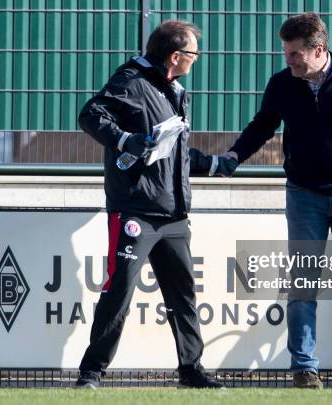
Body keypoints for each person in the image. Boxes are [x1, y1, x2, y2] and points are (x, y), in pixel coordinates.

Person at [225, 13, 332, 389]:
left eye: (295, 53)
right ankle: (304, 368)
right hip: (304, 198)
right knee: (303, 285)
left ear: (319, 49)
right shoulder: (282, 84)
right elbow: (261, 126)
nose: (289, 60)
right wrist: (234, 156)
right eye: (286, 53)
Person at [75, 19, 237, 389]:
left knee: (183, 295)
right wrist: (125, 140)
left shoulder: (174, 91)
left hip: (174, 214)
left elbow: (172, 151)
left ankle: (191, 370)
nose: (197, 61)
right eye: (194, 54)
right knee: (119, 291)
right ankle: (91, 372)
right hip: (134, 210)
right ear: (176, 56)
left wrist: (213, 164)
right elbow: (90, 115)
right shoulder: (131, 81)